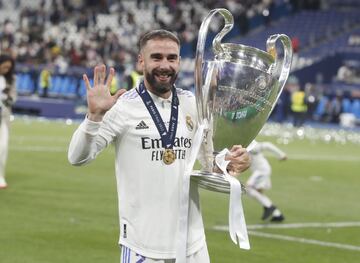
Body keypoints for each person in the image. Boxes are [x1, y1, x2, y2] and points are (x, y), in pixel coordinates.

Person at [68, 30, 250, 263]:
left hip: (192, 244)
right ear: (141, 61)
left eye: (171, 58)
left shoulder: (192, 104)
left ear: (179, 62)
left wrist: (233, 162)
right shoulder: (123, 108)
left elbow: (210, 164)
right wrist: (93, 117)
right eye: (156, 57)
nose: (165, 65)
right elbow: (77, 157)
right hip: (142, 246)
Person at [246, 141, 287, 222]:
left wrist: (281, 155)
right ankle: (278, 215)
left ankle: (270, 207)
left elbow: (267, 145)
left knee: (249, 189)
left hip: (261, 171)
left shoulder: (250, 144)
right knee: (258, 192)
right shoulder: (244, 144)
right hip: (260, 171)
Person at [0, 54, 16, 189]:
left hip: (3, 118)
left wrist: (7, 97)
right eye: (4, 66)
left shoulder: (11, 80)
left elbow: (13, 98)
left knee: (3, 147)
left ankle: (0, 176)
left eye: (8, 67)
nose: (6, 69)